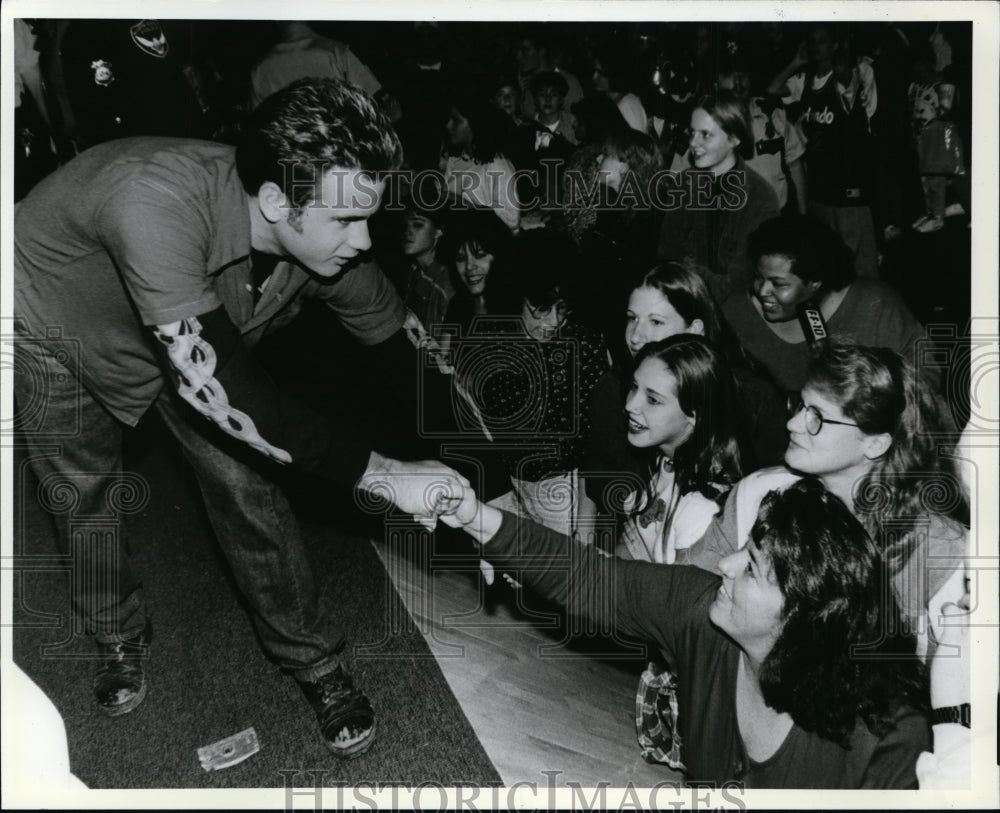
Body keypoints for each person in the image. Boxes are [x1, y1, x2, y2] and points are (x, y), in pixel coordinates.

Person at [12, 78, 469, 758]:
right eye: (347, 221)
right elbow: (234, 399)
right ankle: (117, 628)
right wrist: (388, 474)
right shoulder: (154, 202)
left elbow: (401, 353)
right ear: (280, 202)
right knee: (83, 493)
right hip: (54, 319)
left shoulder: (325, 235)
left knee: (247, 483)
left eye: (369, 217)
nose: (365, 241)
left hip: (176, 322)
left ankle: (313, 658)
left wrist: (485, 481)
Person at [439, 478, 931, 787]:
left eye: (753, 568)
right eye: (745, 549)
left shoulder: (886, 740)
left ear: (806, 619)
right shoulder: (703, 611)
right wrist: (472, 514)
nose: (726, 563)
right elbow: (589, 578)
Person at [677, 343, 968, 662]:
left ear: (875, 443)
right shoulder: (763, 491)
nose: (792, 424)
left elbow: (945, 684)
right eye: (800, 406)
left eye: (817, 417)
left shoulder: (937, 549)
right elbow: (683, 598)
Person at [584, 263, 786, 528]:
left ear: (694, 330)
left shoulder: (752, 396)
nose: (635, 336)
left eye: (656, 321)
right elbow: (597, 477)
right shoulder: (614, 389)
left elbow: (776, 491)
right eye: (632, 318)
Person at [723, 214, 931, 395]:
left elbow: (925, 375)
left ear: (815, 282)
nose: (762, 291)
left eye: (779, 284)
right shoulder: (737, 312)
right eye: (759, 277)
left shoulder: (875, 305)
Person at [614, 336, 743, 563]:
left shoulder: (702, 507)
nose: (630, 405)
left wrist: (635, 568)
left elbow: (680, 597)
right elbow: (631, 541)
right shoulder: (665, 460)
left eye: (653, 400)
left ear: (696, 415)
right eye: (634, 387)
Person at [768, 23, 880, 278]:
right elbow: (773, 89)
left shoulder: (853, 74)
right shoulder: (804, 81)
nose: (816, 46)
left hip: (849, 181)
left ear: (835, 44)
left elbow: (850, 82)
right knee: (828, 260)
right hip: (819, 184)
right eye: (812, 41)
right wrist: (796, 61)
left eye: (822, 40)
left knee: (860, 263)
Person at [657, 92, 781, 305]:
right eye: (692, 132)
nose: (693, 143)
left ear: (734, 139)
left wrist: (687, 270)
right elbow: (667, 256)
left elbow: (737, 286)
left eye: (705, 134)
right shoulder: (684, 183)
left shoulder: (760, 198)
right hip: (684, 304)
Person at [248, 21, 382, 110]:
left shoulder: (260, 68)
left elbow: (256, 124)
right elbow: (373, 101)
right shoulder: (336, 51)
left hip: (287, 150)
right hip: (336, 148)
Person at [440, 87, 521, 231]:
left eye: (456, 120)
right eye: (448, 119)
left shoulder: (497, 164)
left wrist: (461, 203)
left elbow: (512, 219)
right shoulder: (455, 160)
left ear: (474, 124)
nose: (448, 125)